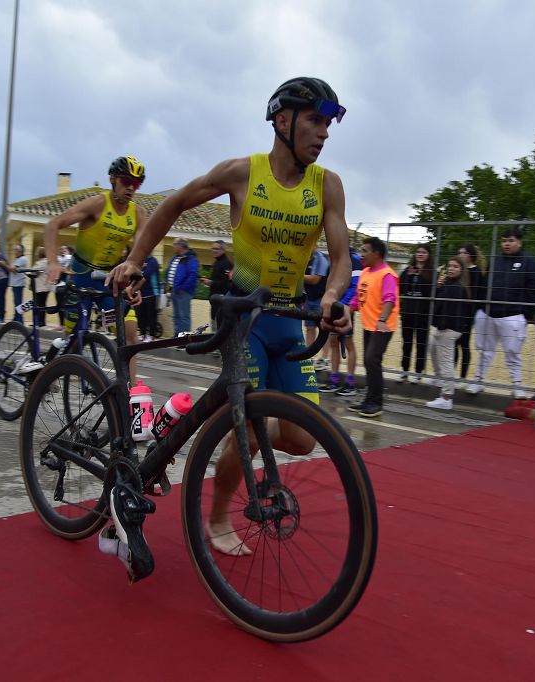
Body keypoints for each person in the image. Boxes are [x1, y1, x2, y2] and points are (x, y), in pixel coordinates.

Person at [110, 77, 352, 564]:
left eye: (328, 124)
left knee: (302, 439)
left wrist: (330, 296)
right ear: (282, 121)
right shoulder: (242, 173)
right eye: (315, 121)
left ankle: (217, 437)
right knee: (252, 417)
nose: (324, 133)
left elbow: (342, 256)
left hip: (288, 317)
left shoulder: (327, 185)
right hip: (244, 316)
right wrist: (136, 258)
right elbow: (173, 204)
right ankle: (218, 515)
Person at [43, 156, 149, 345]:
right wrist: (53, 262)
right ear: (112, 179)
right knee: (74, 338)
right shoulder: (97, 203)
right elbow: (53, 225)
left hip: (107, 279)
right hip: (80, 275)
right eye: (126, 181)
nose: (131, 188)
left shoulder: (138, 214)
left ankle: (128, 377)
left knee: (130, 335)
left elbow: (138, 255)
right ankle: (62, 368)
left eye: (137, 184)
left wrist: (133, 285)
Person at [467, 227, 535, 398]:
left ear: (519, 242)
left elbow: (533, 290)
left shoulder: (530, 262)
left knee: (512, 353)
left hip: (512, 316)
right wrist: (481, 308)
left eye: (511, 240)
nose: (506, 244)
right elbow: (485, 285)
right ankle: (478, 380)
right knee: (485, 350)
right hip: (488, 313)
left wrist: (525, 313)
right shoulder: (495, 260)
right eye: (504, 241)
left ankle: (517, 385)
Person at [348, 237, 398, 418]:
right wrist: (347, 310)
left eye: (365, 251)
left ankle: (376, 403)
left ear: (376, 254)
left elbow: (390, 299)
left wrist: (382, 320)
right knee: (369, 362)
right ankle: (368, 400)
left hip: (382, 326)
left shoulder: (387, 274)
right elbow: (357, 297)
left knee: (372, 360)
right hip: (370, 324)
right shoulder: (366, 272)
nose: (362, 254)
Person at [425, 257, 472, 410]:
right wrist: (438, 286)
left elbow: (450, 310)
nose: (451, 269)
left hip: (448, 328)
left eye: (455, 266)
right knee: (436, 353)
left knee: (446, 362)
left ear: (461, 270)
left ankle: (446, 397)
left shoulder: (456, 287)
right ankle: (442, 385)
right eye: (450, 266)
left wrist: (441, 326)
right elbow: (438, 302)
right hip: (445, 327)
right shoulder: (449, 284)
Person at [319, 244, 361, 396]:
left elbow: (356, 285)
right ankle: (334, 379)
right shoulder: (335, 260)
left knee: (348, 343)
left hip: (345, 307)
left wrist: (345, 305)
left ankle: (350, 382)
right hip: (335, 306)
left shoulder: (353, 259)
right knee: (333, 341)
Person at [398, 245, 435, 382]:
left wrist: (421, 276)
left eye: (424, 252)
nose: (420, 254)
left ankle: (418, 372)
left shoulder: (431, 272)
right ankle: (404, 370)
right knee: (406, 342)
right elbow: (401, 289)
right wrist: (409, 276)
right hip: (408, 312)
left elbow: (431, 292)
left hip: (423, 314)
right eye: (418, 252)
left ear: (428, 255)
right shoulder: (408, 270)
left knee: (421, 344)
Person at [454, 243, 486, 386]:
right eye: (459, 252)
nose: (461, 255)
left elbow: (477, 296)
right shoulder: (459, 271)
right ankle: (451, 375)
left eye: (464, 253)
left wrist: (472, 313)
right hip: (456, 312)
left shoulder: (476, 272)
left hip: (468, 314)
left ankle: (462, 377)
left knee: (464, 344)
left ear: (471, 256)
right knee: (453, 344)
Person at [165, 238, 198, 337]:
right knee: (176, 315)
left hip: (184, 292)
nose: (173, 246)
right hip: (174, 291)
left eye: (175, 244)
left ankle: (184, 337)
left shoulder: (191, 259)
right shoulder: (174, 258)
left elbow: (192, 275)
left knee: (184, 315)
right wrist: (169, 290)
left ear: (181, 246)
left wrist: (182, 288)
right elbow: (170, 274)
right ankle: (177, 335)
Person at [200, 239, 232, 330]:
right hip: (214, 300)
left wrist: (211, 282)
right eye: (213, 248)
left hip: (221, 300)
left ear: (223, 250)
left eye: (216, 249)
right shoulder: (217, 262)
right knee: (214, 324)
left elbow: (226, 283)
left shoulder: (226, 264)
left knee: (219, 327)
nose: (214, 250)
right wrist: (209, 281)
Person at [302, 247, 329, 354]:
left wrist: (297, 275)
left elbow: (315, 279)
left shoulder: (320, 258)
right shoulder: (306, 258)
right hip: (309, 298)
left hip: (320, 298)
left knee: (323, 329)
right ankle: (309, 355)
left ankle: (325, 358)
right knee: (309, 327)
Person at [137, 253, 161, 340]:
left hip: (152, 293)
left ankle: (151, 335)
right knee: (141, 315)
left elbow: (145, 275)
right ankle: (142, 334)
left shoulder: (153, 261)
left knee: (151, 316)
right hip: (141, 294)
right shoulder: (141, 261)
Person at [32, 246, 52, 328]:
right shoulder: (42, 262)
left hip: (42, 287)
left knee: (41, 305)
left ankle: (41, 322)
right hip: (41, 287)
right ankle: (38, 321)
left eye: (37, 252)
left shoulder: (43, 262)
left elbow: (33, 271)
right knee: (39, 305)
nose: (35, 254)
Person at [9, 244, 29, 323]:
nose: (15, 252)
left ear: (21, 251)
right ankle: (16, 318)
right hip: (16, 283)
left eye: (16, 250)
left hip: (19, 283)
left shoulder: (22, 259)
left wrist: (4, 264)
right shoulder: (18, 259)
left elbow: (12, 269)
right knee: (16, 302)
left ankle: (20, 320)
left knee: (18, 302)